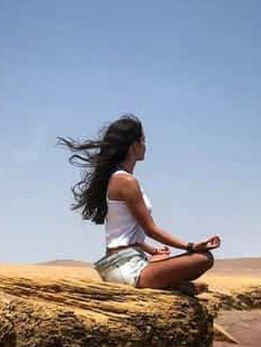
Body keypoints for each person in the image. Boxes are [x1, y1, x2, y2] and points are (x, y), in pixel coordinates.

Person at [58, 114, 221, 292]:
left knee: (162, 257)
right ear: (134, 145)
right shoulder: (125, 181)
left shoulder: (119, 179)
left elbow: (125, 235)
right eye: (143, 140)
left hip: (126, 261)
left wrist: (152, 251)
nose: (145, 145)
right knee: (204, 258)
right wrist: (190, 246)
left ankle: (173, 285)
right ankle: (172, 286)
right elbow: (150, 229)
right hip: (125, 267)